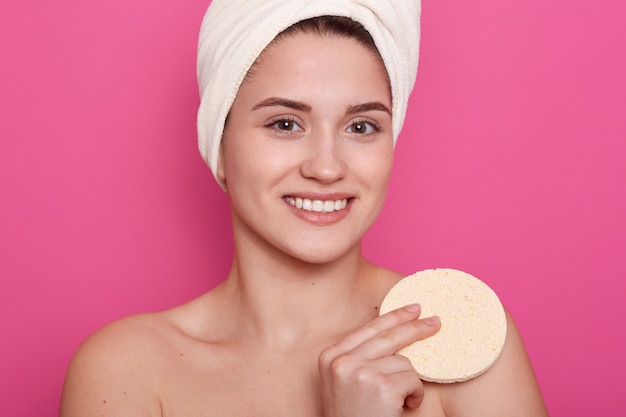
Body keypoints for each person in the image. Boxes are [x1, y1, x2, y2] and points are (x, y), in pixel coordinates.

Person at [60, 0, 549, 415]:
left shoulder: (463, 340)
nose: (327, 167)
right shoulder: (126, 369)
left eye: (361, 127)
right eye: (285, 124)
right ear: (220, 145)